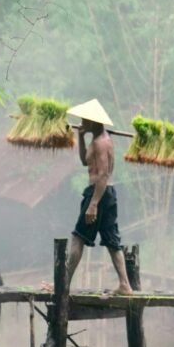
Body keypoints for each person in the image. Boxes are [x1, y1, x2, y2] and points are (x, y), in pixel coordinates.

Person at [64, 99, 133, 295]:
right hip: (106, 194)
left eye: (85, 120)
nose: (82, 122)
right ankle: (125, 285)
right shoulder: (97, 140)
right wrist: (81, 136)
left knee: (78, 237)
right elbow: (85, 161)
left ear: (94, 122)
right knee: (112, 240)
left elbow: (102, 174)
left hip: (99, 194)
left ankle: (64, 284)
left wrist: (93, 204)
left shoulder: (102, 143)